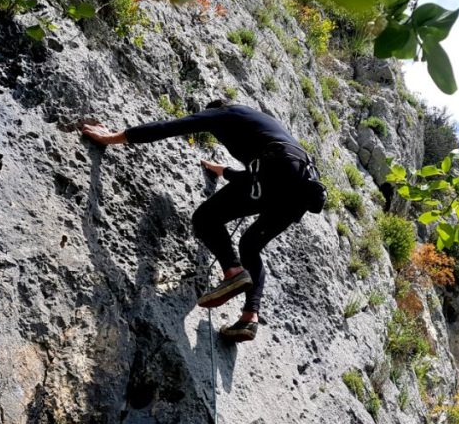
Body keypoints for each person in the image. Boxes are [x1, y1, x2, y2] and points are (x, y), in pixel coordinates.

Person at [81, 99, 317, 342]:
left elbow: (167, 128)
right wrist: (223, 171)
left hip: (277, 169)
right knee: (250, 246)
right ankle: (249, 317)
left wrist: (109, 138)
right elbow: (265, 174)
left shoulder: (223, 113)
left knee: (206, 218)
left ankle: (233, 272)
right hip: (303, 188)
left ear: (214, 110)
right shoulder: (259, 125)